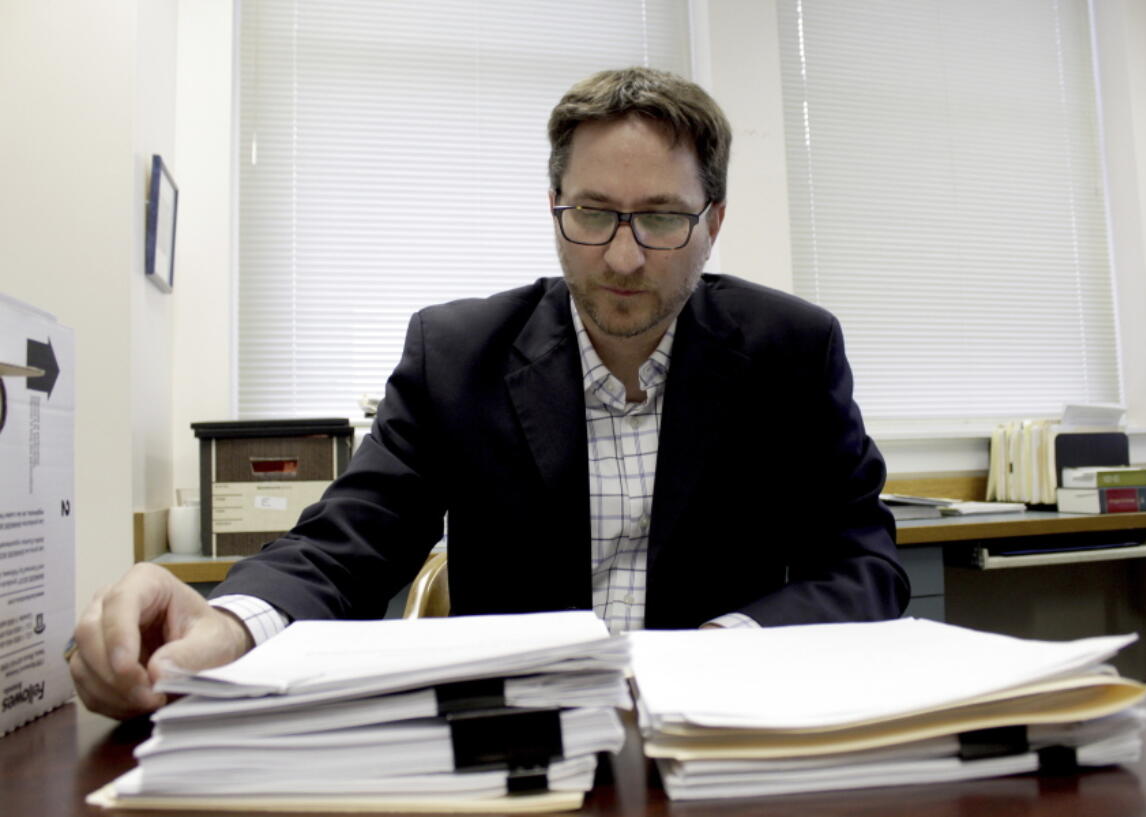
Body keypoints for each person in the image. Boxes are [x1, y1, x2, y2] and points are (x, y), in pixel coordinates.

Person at [68, 67, 910, 720]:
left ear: (712, 221)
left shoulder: (790, 351)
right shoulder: (457, 353)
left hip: (725, 738)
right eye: (592, 212)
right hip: (513, 742)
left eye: (659, 218)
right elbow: (348, 544)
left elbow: (864, 562)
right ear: (553, 208)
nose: (621, 258)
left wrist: (727, 647)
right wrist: (225, 624)